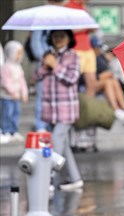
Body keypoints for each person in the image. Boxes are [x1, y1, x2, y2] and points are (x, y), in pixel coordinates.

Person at [35, 30, 83, 190]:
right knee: (64, 145)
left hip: (66, 109)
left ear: (69, 38)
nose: (58, 39)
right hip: (51, 109)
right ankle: (75, 178)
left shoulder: (73, 56)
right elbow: (36, 77)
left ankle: (47, 178)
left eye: (62, 36)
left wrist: (55, 65)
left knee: (56, 141)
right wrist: (46, 65)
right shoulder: (48, 55)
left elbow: (72, 78)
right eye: (55, 36)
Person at [30, 0, 65, 132]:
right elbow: (36, 41)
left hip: (58, 59)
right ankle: (41, 125)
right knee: (43, 94)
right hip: (46, 60)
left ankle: (51, 123)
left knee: (56, 94)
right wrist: (44, 58)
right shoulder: (42, 16)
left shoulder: (61, 17)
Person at [87, 36, 124, 124]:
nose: (99, 50)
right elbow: (88, 77)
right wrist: (101, 76)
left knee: (113, 81)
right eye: (97, 48)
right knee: (108, 83)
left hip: (100, 81)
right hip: (90, 84)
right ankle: (116, 109)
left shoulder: (99, 57)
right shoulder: (89, 57)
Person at [0, 41, 29, 143]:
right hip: (7, 97)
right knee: (6, 114)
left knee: (16, 113)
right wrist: (12, 92)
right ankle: (6, 130)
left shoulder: (18, 67)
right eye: (18, 53)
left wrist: (24, 93)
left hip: (17, 97)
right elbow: (5, 82)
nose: (19, 56)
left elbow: (22, 81)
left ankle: (14, 130)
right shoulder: (5, 67)